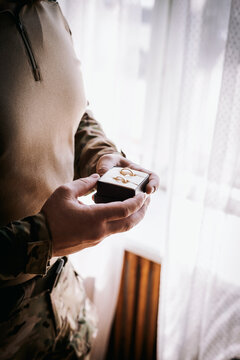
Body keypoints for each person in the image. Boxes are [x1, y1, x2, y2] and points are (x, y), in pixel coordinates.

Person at [0, 0, 160, 358]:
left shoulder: (48, 9)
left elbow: (74, 111)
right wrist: (44, 237)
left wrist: (102, 155)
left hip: (64, 305)